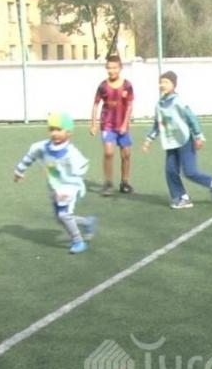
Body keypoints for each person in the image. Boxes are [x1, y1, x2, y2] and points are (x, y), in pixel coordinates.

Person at [14, 112, 98, 254]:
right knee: (60, 218)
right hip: (55, 187)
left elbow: (82, 167)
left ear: (69, 132)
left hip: (70, 187)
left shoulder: (72, 152)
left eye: (59, 130)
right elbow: (30, 156)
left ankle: (78, 241)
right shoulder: (42, 147)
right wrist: (19, 171)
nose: (54, 133)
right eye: (51, 129)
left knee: (63, 215)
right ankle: (87, 222)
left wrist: (74, 180)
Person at [141, 71, 212, 209]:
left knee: (190, 171)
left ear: (174, 85)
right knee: (170, 171)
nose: (163, 85)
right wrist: (148, 140)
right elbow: (158, 124)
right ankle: (182, 198)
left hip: (184, 140)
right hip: (170, 142)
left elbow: (191, 118)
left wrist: (198, 136)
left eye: (166, 82)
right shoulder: (159, 104)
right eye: (161, 82)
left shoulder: (178, 101)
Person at [90, 54, 135, 196]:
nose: (112, 71)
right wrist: (93, 124)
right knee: (109, 153)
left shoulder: (127, 85)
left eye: (115, 68)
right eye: (109, 68)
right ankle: (108, 183)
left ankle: (124, 182)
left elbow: (130, 105)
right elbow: (96, 105)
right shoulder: (103, 86)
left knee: (126, 154)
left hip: (122, 126)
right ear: (106, 68)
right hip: (107, 124)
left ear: (120, 68)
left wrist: (125, 124)